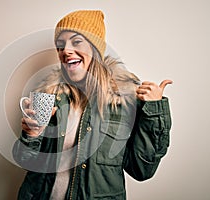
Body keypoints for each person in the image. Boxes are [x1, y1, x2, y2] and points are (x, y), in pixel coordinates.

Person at [12, 10, 172, 200]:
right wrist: (31, 136)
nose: (66, 51)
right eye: (60, 46)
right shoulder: (49, 96)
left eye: (76, 42)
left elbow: (142, 170)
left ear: (95, 48)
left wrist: (154, 114)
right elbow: (26, 161)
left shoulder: (125, 100)